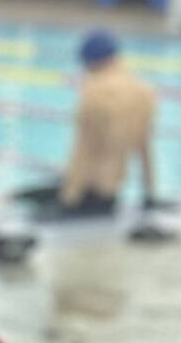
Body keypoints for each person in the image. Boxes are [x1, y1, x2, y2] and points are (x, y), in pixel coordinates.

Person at [18, 28, 158, 217]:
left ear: (91, 62)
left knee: (17, 199)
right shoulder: (144, 92)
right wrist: (149, 196)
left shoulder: (94, 92)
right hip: (110, 197)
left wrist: (67, 201)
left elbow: (84, 150)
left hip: (84, 195)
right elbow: (145, 150)